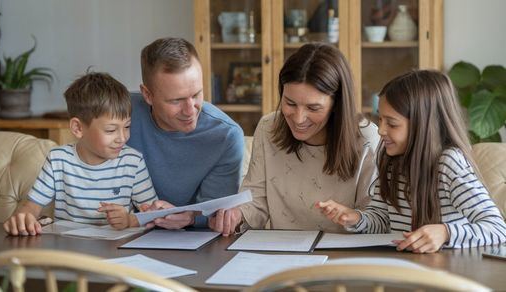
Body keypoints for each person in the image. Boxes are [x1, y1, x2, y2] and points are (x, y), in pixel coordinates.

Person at [316, 70, 506, 253]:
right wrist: (356, 218)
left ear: (422, 125)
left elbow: (497, 229)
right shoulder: (390, 161)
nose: (381, 130)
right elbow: (383, 220)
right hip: (409, 266)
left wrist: (445, 233)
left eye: (392, 123)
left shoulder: (448, 163)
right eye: (380, 119)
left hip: (450, 272)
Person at [209, 43, 379, 236]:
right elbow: (256, 201)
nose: (298, 119)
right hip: (283, 254)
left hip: (343, 257)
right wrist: (236, 214)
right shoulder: (268, 128)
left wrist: (352, 217)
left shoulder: (366, 138)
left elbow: (376, 219)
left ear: (337, 104)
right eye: (290, 103)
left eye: (313, 108)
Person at [3, 72, 158, 236]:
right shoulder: (58, 160)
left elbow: (152, 214)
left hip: (116, 251)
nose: (123, 137)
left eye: (127, 126)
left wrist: (129, 220)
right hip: (70, 250)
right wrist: (24, 217)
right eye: (111, 130)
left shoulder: (133, 162)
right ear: (78, 128)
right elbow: (32, 205)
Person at [128, 37, 244, 229]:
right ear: (147, 95)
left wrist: (191, 217)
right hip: (121, 234)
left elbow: (214, 214)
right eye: (176, 100)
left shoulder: (226, 137)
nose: (191, 111)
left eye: (197, 94)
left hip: (190, 243)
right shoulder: (118, 115)